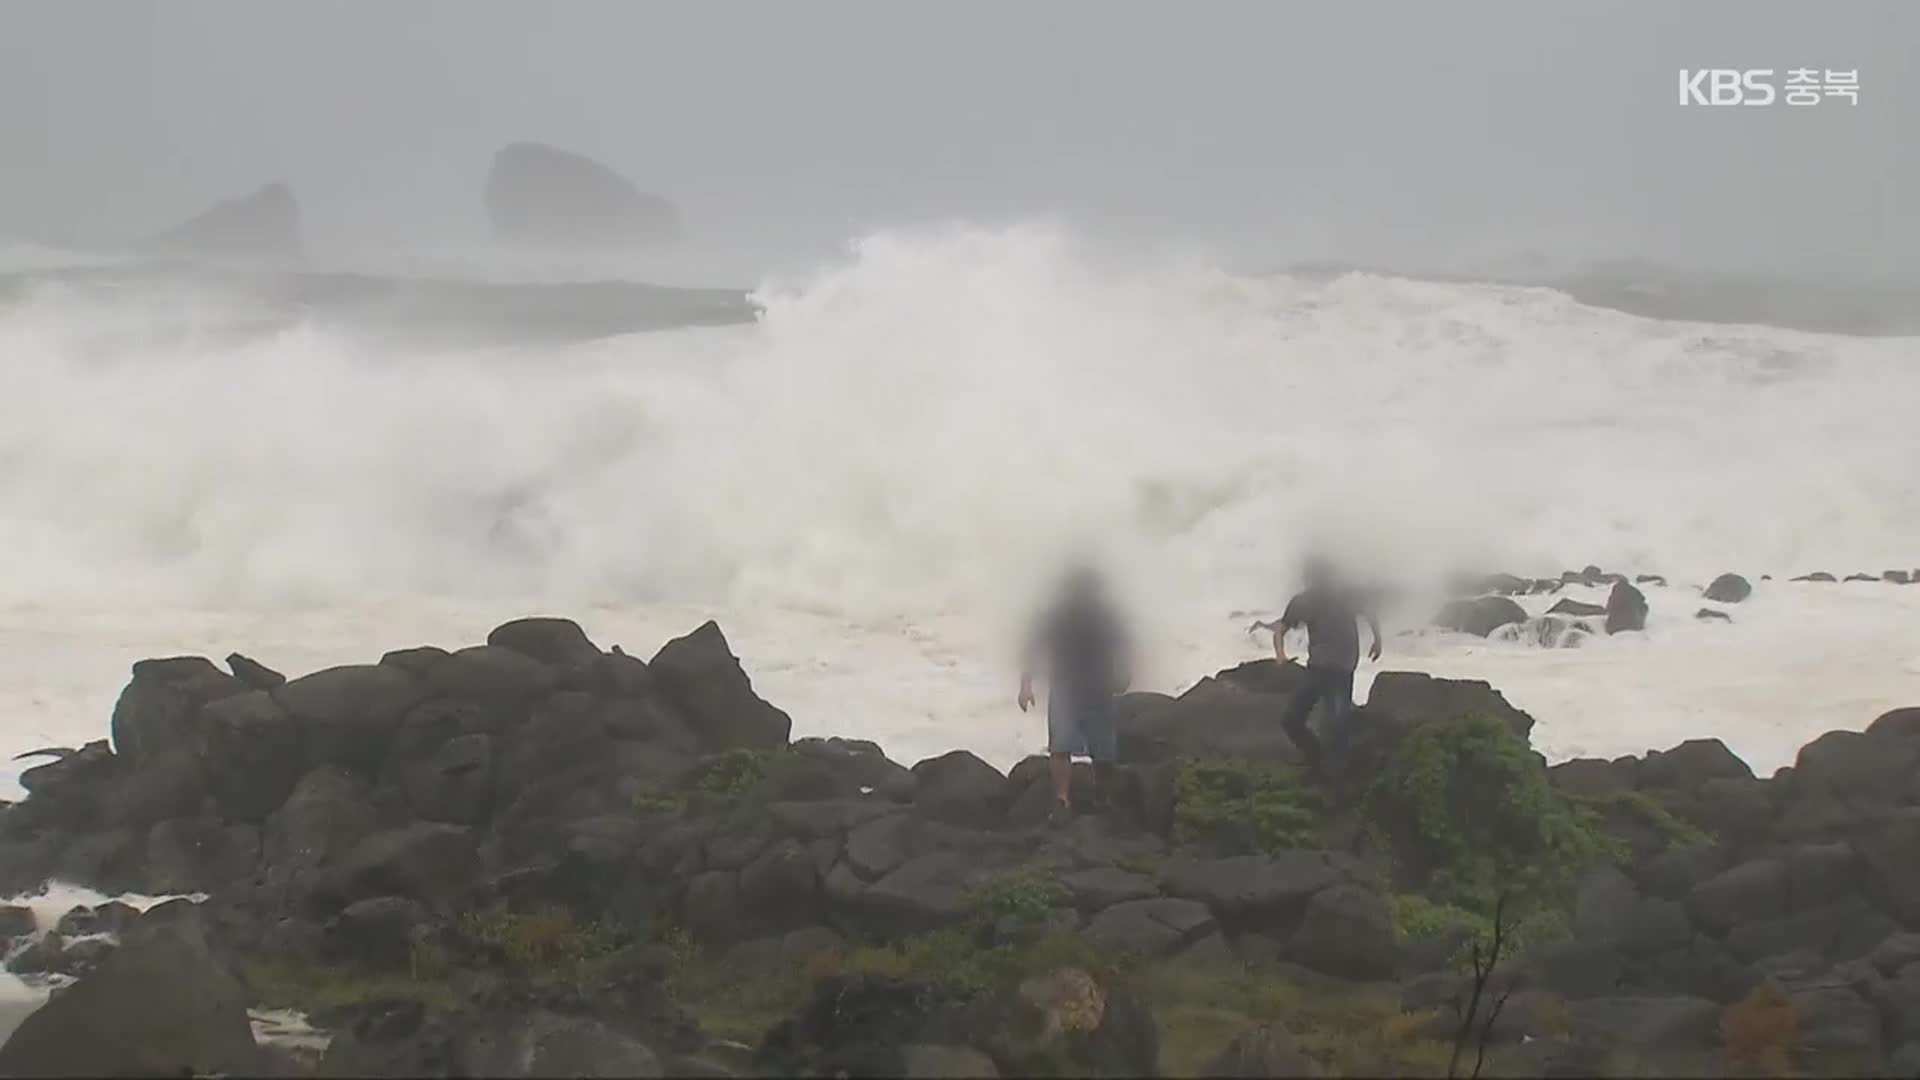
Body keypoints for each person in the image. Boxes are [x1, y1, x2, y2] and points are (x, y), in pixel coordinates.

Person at [1018, 565, 1130, 824]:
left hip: (1097, 684)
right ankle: (1063, 801)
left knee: (1101, 748)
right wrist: (1026, 685)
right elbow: (1034, 648)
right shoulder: (1057, 615)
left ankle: (1099, 798)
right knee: (1063, 745)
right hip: (1068, 685)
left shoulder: (1104, 615)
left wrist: (1123, 674)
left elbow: (1121, 646)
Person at [1263, 556, 1382, 776]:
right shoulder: (1304, 601)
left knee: (1337, 720)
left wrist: (1378, 639)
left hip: (1341, 666)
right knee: (1292, 720)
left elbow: (1370, 612)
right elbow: (1281, 629)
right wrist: (1280, 656)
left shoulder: (1346, 595)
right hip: (1318, 667)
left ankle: (1337, 773)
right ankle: (1317, 759)